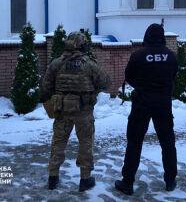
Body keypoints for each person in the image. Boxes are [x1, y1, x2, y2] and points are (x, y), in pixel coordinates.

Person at [41, 32, 110, 192]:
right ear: (82, 45)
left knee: (58, 143)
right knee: (85, 143)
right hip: (83, 111)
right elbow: (105, 82)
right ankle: (85, 179)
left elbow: (46, 87)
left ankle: (53, 177)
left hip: (62, 110)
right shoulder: (89, 64)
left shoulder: (56, 63)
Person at [115, 24, 178, 195]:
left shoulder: (138, 55)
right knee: (167, 142)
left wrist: (142, 87)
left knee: (134, 142)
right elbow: (173, 76)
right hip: (163, 104)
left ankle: (127, 182)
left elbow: (129, 76)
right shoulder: (171, 56)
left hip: (142, 103)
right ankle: (170, 180)